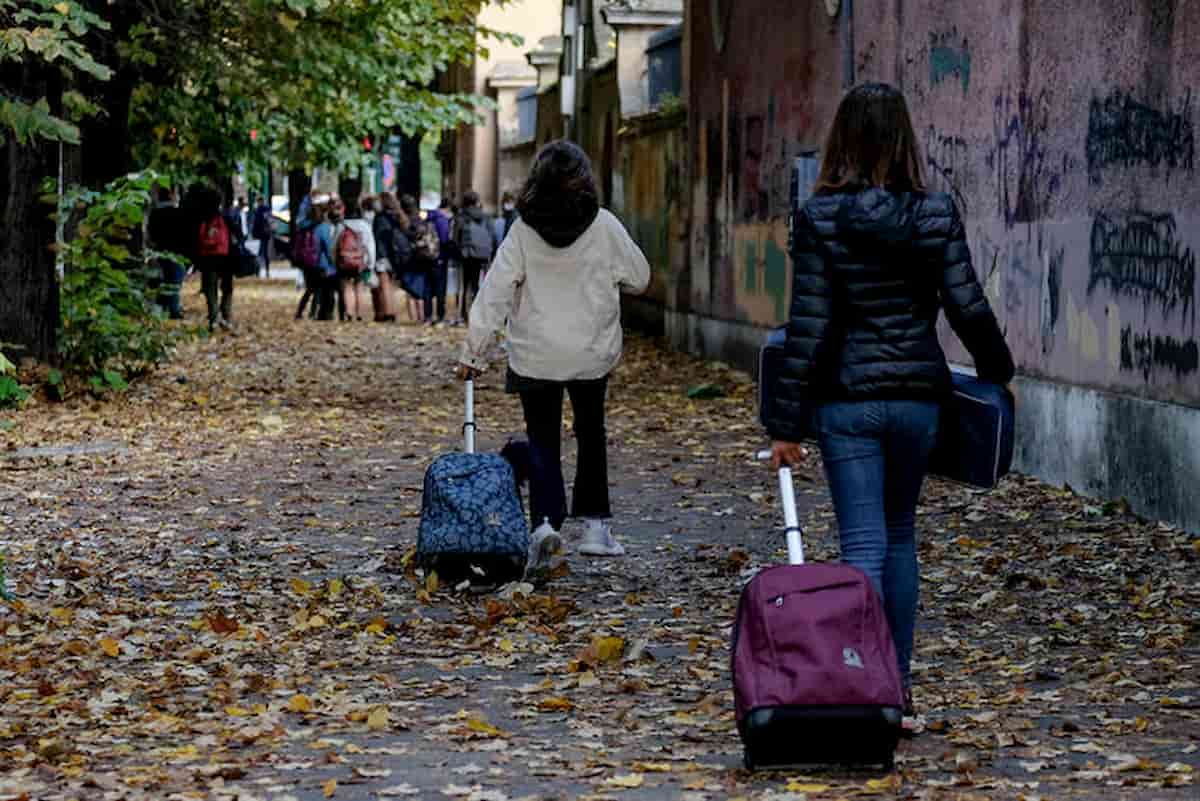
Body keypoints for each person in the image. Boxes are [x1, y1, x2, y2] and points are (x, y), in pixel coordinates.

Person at [764, 83, 1015, 728]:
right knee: (899, 538)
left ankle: (861, 690)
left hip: (846, 406)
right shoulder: (934, 211)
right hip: (916, 403)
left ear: (840, 139)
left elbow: (808, 325)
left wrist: (786, 425)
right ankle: (896, 692)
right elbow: (967, 303)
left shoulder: (819, 218)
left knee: (863, 547)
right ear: (904, 138)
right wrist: (997, 375)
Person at [457, 140, 650, 571]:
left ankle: (544, 524)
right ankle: (597, 529)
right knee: (591, 432)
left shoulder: (523, 231)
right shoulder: (604, 225)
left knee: (542, 437)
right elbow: (639, 277)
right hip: (590, 351)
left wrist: (474, 351)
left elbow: (495, 292)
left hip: (536, 354)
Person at [192, 187, 237, 331]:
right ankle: (226, 316)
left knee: (210, 288)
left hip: (208, 258)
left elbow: (196, 240)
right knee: (227, 288)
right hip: (225, 257)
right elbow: (238, 235)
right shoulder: (225, 216)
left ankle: (213, 318)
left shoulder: (202, 218)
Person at [451, 191, 497, 326]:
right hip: (482, 255)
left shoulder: (461, 217)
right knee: (477, 285)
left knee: (464, 286)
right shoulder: (485, 217)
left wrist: (457, 253)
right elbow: (493, 236)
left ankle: (463, 315)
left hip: (466, 255)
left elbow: (455, 238)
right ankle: (478, 316)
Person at [147, 186, 188, 319]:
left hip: (159, 251)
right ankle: (173, 310)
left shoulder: (154, 214)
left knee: (164, 280)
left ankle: (162, 308)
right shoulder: (178, 213)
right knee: (175, 280)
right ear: (171, 195)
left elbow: (150, 234)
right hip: (176, 251)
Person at [336, 197, 376, 321]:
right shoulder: (365, 226)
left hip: (345, 261)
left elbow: (335, 245)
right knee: (359, 286)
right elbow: (370, 245)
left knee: (347, 286)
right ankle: (359, 314)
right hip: (360, 261)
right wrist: (371, 263)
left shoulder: (341, 225)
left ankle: (349, 312)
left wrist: (335, 261)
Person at [373, 193, 410, 323]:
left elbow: (378, 238)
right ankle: (390, 311)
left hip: (382, 255)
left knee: (384, 286)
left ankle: (388, 313)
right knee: (390, 286)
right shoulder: (399, 217)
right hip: (395, 256)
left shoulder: (380, 218)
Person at [424, 196, 453, 325]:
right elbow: (445, 240)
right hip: (439, 258)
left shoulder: (428, 218)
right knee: (440, 288)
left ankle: (427, 316)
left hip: (427, 257)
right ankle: (440, 316)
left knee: (428, 288)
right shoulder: (442, 220)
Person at [313, 200, 341, 321]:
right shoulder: (330, 228)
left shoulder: (318, 228)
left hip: (321, 264)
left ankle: (322, 313)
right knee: (330, 291)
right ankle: (329, 313)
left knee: (324, 291)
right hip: (330, 265)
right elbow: (329, 248)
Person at [250, 195, 273, 277]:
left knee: (260, 253)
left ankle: (260, 271)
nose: (259, 203)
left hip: (260, 234)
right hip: (264, 234)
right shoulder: (265, 210)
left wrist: (252, 233)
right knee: (263, 253)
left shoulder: (257, 210)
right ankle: (265, 271)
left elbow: (253, 223)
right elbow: (269, 221)